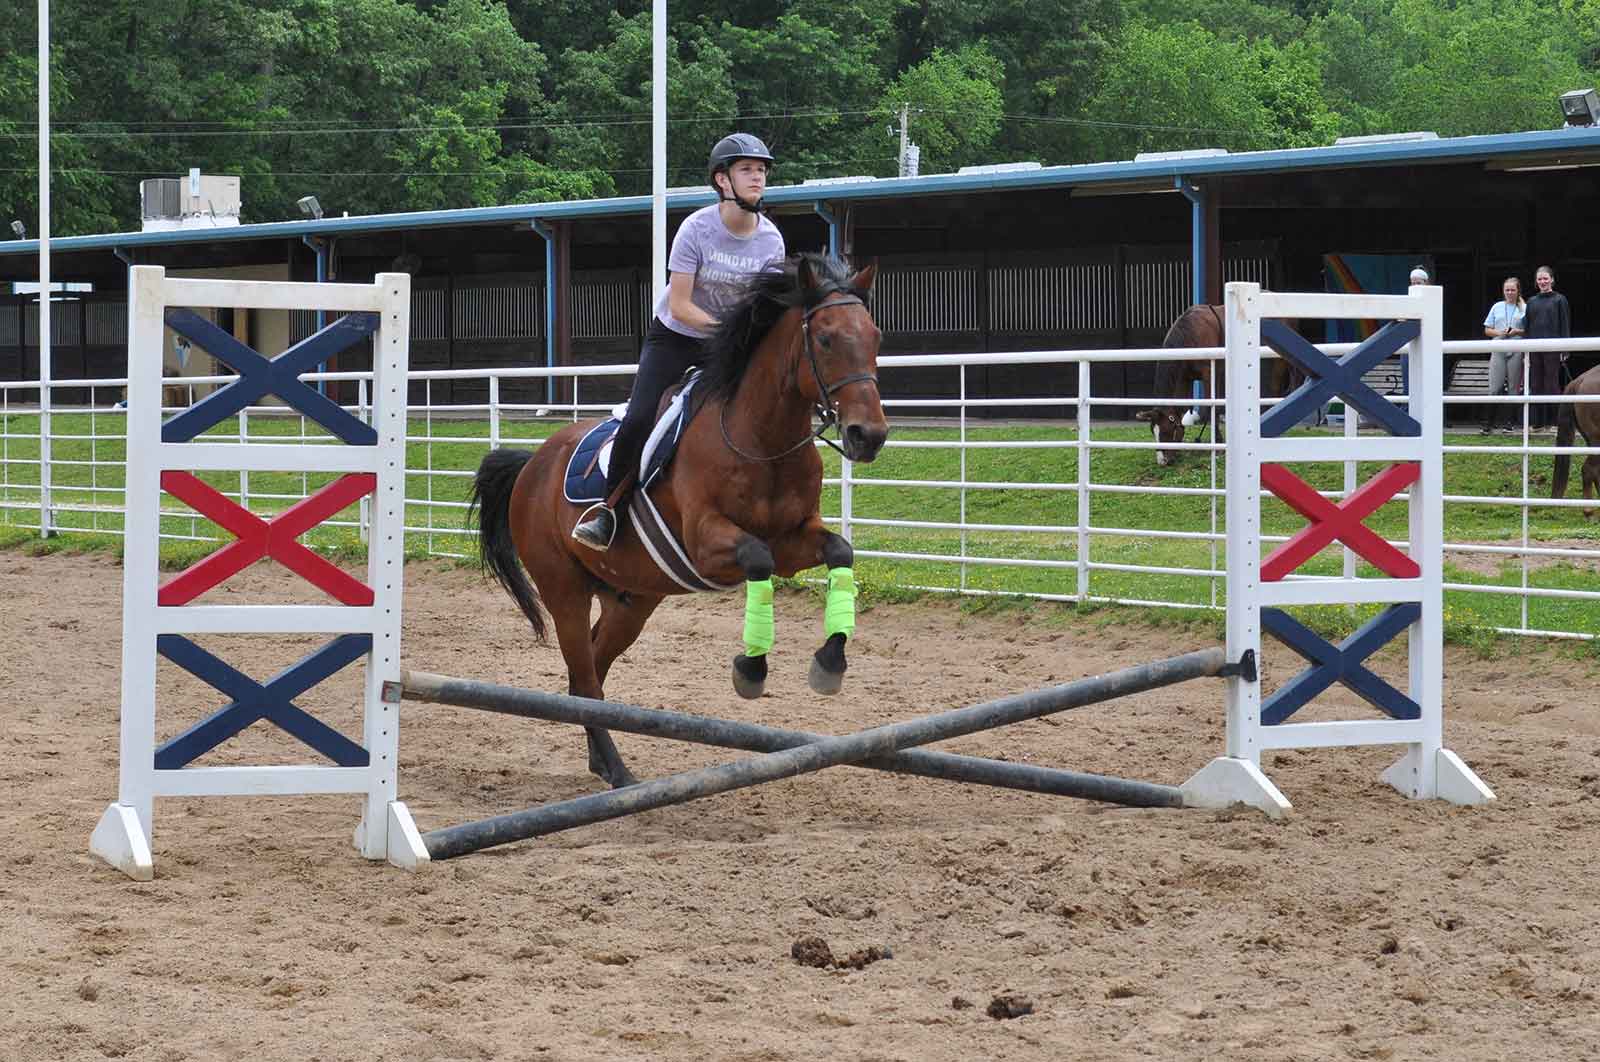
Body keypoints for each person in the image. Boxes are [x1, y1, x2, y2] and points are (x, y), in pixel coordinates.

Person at [572, 133, 787, 550]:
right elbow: (684, 305)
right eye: (747, 169)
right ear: (722, 181)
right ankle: (607, 512)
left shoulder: (771, 240)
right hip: (676, 337)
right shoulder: (696, 229)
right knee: (639, 418)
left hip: (732, 343)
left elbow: (764, 308)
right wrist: (729, 336)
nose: (757, 177)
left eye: (761, 170)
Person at [1522, 265, 1571, 430]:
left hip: (1553, 348)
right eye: (1539, 279)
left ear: (1552, 279)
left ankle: (1556, 422)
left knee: (1552, 385)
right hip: (1535, 349)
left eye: (1545, 278)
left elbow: (1565, 324)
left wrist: (1565, 349)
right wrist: (1525, 351)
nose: (1542, 281)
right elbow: (1527, 327)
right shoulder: (1531, 301)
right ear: (1536, 282)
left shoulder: (1560, 299)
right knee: (1536, 385)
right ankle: (1538, 422)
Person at [1481, 276, 1526, 434]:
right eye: (1507, 290)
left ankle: (1509, 423)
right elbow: (1487, 329)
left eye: (1513, 290)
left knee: (1513, 387)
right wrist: (1499, 332)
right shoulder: (1497, 306)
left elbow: (1529, 329)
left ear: (1518, 290)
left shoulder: (1523, 308)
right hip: (1498, 346)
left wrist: (1516, 331)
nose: (1510, 292)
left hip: (1516, 347)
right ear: (1503, 291)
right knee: (1495, 387)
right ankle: (1488, 424)